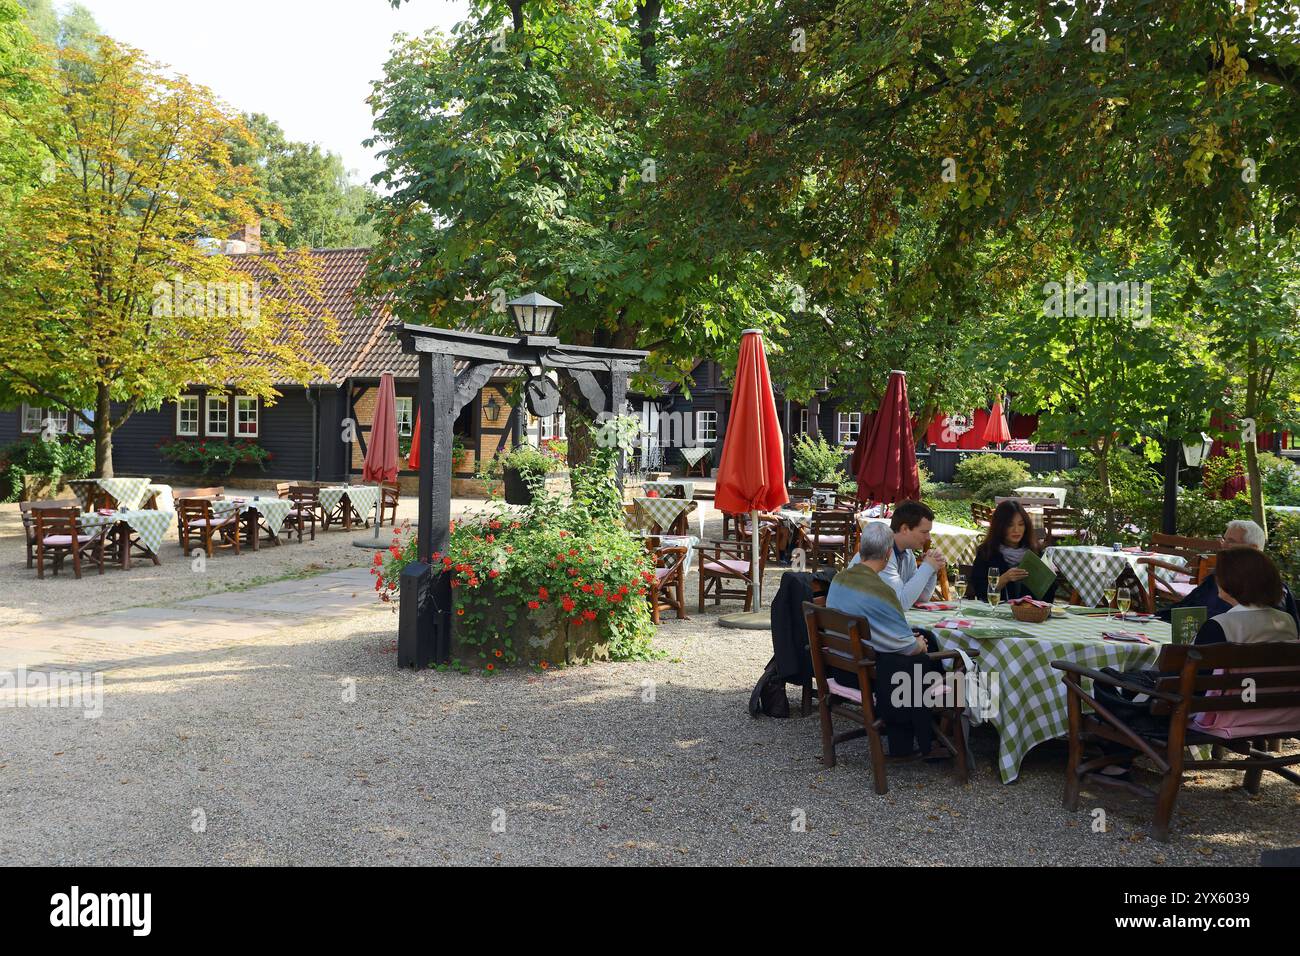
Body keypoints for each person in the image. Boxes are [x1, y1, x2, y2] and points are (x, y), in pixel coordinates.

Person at [1091, 547, 1298, 777]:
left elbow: (1193, 688)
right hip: (1267, 710)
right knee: (1137, 680)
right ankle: (1119, 754)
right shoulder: (1287, 621)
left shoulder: (1222, 625)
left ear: (1232, 581)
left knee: (1108, 679)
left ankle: (1116, 757)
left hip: (1216, 715)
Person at [826, 521, 946, 757]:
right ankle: (929, 734)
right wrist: (918, 644)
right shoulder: (881, 592)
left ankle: (921, 734)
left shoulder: (840, 579)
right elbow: (907, 646)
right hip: (864, 674)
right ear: (889, 553)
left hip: (841, 664)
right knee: (923, 658)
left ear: (861, 549)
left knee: (913, 659)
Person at [1158, 519, 1300, 628]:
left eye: (1231, 542)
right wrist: (1149, 618)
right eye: (1224, 540)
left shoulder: (1274, 591)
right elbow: (1183, 608)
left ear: (1253, 549)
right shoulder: (1215, 579)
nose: (1223, 546)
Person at [848, 500, 947, 608]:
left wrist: (931, 570)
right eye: (924, 532)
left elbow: (920, 598)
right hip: (860, 621)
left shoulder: (907, 553)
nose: (928, 537)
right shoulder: (880, 552)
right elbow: (900, 604)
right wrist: (927, 567)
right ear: (904, 529)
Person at [966, 499, 1056, 603]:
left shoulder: (1035, 551)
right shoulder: (987, 552)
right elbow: (979, 592)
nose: (1016, 530)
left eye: (1021, 524)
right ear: (999, 526)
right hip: (997, 613)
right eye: (1010, 525)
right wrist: (1003, 580)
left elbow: (1048, 600)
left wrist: (1050, 580)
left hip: (1028, 614)